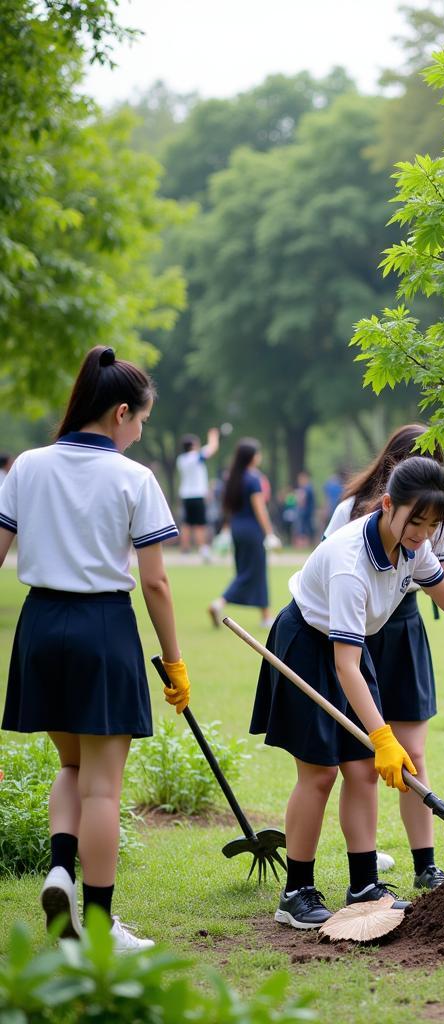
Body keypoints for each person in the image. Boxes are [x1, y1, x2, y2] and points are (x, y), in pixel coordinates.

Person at [250, 456, 444, 929]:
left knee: (361, 772)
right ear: (387, 506)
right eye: (415, 520)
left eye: (433, 524)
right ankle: (296, 891)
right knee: (319, 774)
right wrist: (383, 735)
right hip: (308, 645)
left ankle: (364, 885)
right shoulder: (349, 563)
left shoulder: (413, 545)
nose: (423, 532)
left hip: (350, 653)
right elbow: (344, 665)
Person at [0, 346, 192, 952]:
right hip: (103, 628)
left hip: (39, 627)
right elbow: (156, 582)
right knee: (103, 786)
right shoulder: (134, 478)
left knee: (73, 765)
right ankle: (102, 928)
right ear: (119, 412)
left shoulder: (26, 466)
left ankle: (60, 869)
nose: (139, 434)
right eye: (140, 422)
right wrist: (174, 659)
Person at [323, 424, 444, 889]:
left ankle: (426, 866)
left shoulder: (431, 520)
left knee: (413, 754)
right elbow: (330, 579)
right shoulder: (350, 515)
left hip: (402, 631)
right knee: (362, 761)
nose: (424, 532)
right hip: (353, 634)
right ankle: (364, 863)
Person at [208, 439, 280, 629]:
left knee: (248, 571)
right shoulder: (253, 478)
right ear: (252, 457)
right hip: (252, 530)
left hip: (237, 529)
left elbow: (229, 509)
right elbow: (260, 509)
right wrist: (270, 533)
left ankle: (265, 615)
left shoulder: (233, 478)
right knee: (254, 572)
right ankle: (220, 603)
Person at [175, 428, 219, 559]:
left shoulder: (181, 459)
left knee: (187, 524)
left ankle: (184, 550)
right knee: (200, 524)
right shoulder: (195, 457)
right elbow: (212, 448)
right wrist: (213, 436)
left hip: (185, 495)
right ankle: (203, 549)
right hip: (197, 495)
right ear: (193, 445)